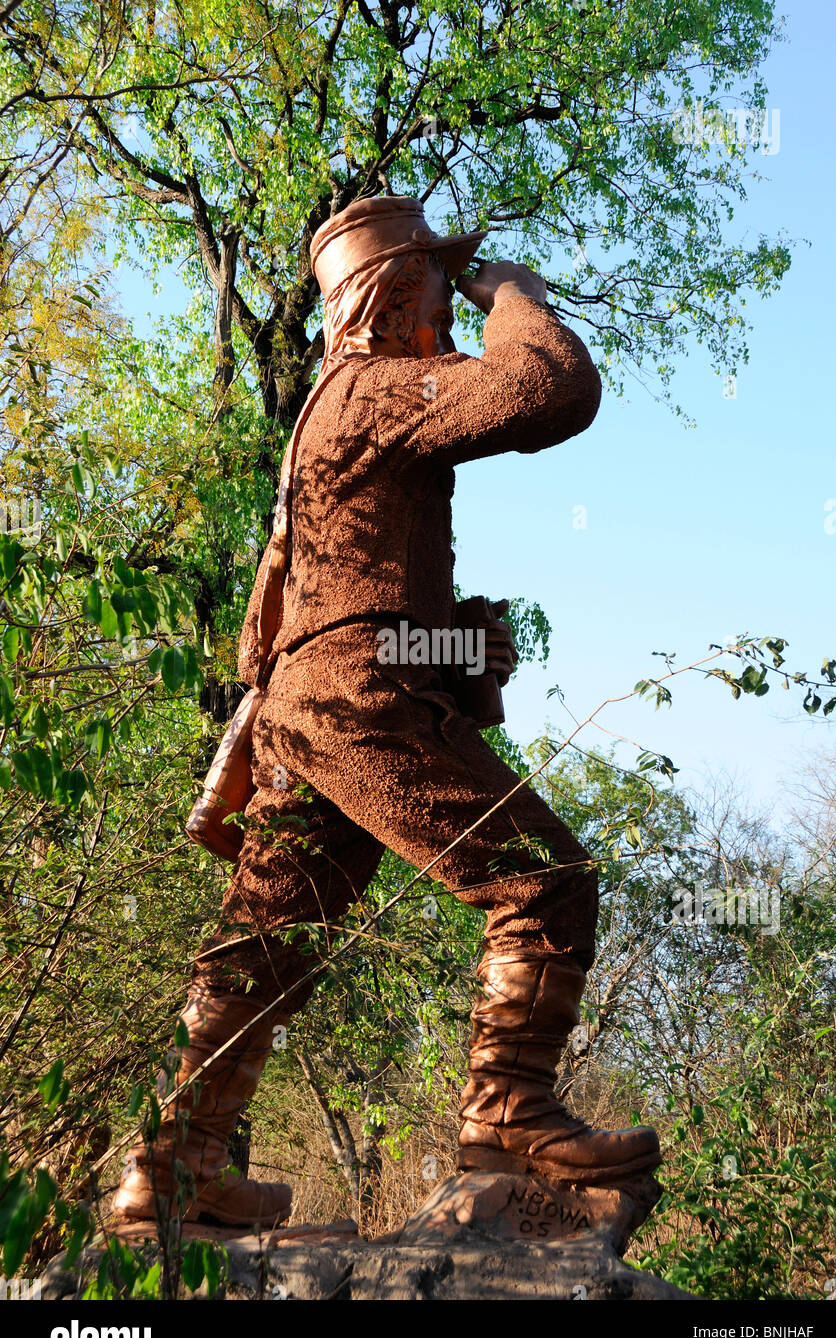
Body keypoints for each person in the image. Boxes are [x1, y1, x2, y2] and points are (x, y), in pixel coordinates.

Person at [114, 197, 660, 1227]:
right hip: (359, 705)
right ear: (396, 293)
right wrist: (516, 298)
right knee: (542, 881)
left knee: (265, 941)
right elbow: (547, 389)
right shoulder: (374, 388)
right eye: (436, 293)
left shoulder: (326, 409)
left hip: (306, 712)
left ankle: (171, 1164)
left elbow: (305, 627)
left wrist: (454, 646)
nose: (447, 318)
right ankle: (504, 1117)